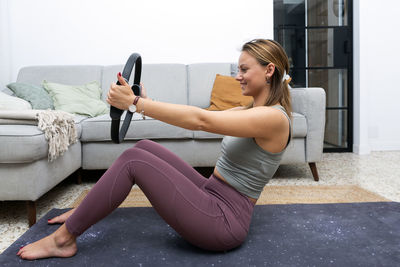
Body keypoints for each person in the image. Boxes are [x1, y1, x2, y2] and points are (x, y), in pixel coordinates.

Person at [17, 39, 292, 260]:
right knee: (145, 147)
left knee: (134, 160)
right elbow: (200, 113)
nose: (237, 76)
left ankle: (64, 240)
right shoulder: (251, 110)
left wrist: (136, 103)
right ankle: (84, 211)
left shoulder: (273, 118)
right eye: (238, 70)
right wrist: (149, 102)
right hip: (212, 193)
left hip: (224, 222)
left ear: (269, 70)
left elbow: (202, 121)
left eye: (244, 69)